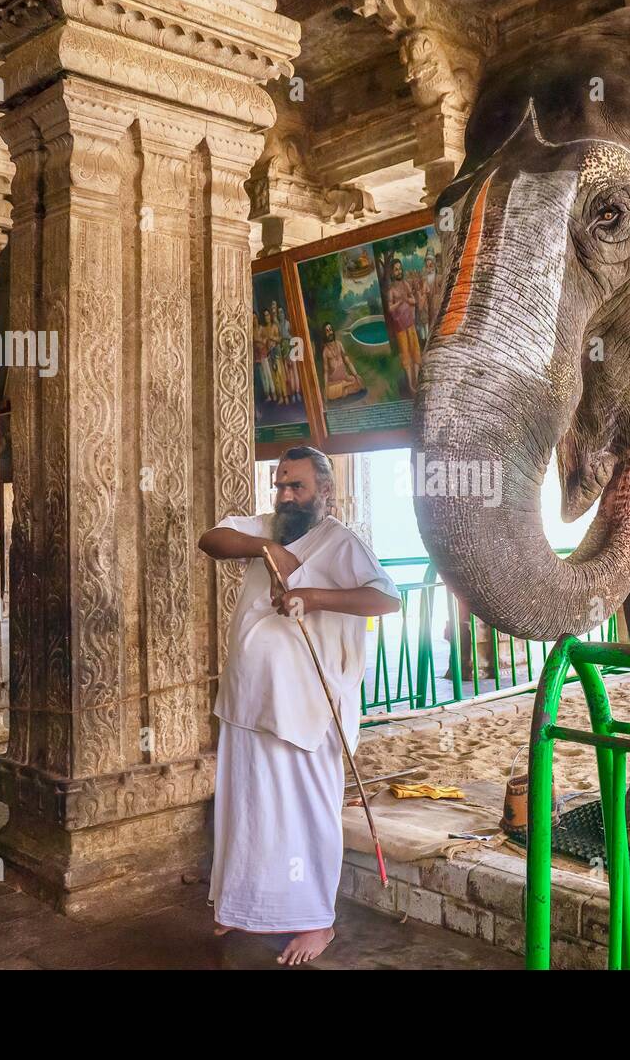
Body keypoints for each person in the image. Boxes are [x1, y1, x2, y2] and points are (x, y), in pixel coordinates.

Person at [199, 447, 399, 965]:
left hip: (308, 708)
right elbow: (211, 540)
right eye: (281, 484)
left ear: (323, 493)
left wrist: (312, 596)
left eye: (298, 487)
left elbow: (386, 599)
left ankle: (317, 921)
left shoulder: (341, 541)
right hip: (249, 699)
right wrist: (269, 548)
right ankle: (241, 905)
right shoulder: (267, 527)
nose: (286, 495)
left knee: (305, 812)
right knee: (247, 806)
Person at [380, 255, 422, 393]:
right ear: (392, 273)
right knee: (405, 354)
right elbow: (390, 308)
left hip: (410, 324)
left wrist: (407, 299)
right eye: (396, 270)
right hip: (400, 327)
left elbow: (414, 301)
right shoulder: (391, 290)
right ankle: (410, 384)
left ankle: (416, 380)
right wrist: (400, 301)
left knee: (415, 350)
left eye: (400, 269)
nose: (399, 271)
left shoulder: (406, 284)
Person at [319, 322, 365, 401]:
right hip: (334, 382)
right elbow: (326, 371)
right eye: (327, 331)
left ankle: (344, 389)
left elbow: (348, 362)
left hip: (345, 377)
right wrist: (326, 386)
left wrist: (356, 375)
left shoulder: (339, 344)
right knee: (328, 392)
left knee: (358, 381)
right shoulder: (325, 351)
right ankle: (345, 388)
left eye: (330, 330)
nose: (330, 332)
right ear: (324, 334)